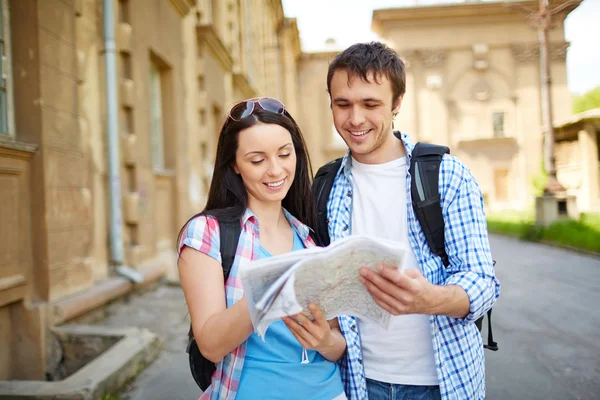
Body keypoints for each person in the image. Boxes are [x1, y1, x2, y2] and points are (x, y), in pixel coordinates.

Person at [320, 42, 501, 400]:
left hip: (441, 383)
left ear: (397, 103)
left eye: (370, 104)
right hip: (355, 382)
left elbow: (484, 284)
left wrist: (429, 299)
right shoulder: (325, 185)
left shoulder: (447, 175)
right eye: (343, 104)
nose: (355, 119)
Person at [177, 97, 347, 400]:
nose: (275, 170)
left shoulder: (309, 236)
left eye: (285, 154)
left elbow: (336, 344)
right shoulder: (207, 234)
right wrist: (270, 289)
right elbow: (211, 345)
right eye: (257, 160)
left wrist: (325, 342)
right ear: (234, 165)